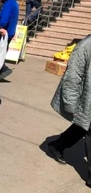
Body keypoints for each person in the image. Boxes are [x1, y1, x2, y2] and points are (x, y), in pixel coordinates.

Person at [47, 35, 91, 188]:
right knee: (87, 127)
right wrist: (71, 105)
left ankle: (57, 145)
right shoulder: (86, 46)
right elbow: (73, 76)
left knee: (82, 126)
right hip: (87, 98)